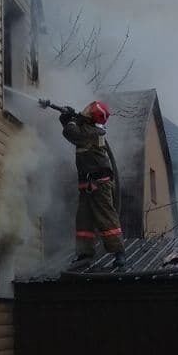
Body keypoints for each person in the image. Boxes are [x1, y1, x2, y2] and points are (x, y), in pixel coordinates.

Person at [59, 100, 126, 269]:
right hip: (86, 184)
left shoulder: (95, 133)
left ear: (92, 114)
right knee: (83, 221)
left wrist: (71, 120)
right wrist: (67, 119)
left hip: (100, 184)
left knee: (106, 217)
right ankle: (84, 254)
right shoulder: (87, 128)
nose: (86, 108)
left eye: (89, 108)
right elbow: (71, 130)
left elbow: (72, 133)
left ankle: (119, 252)